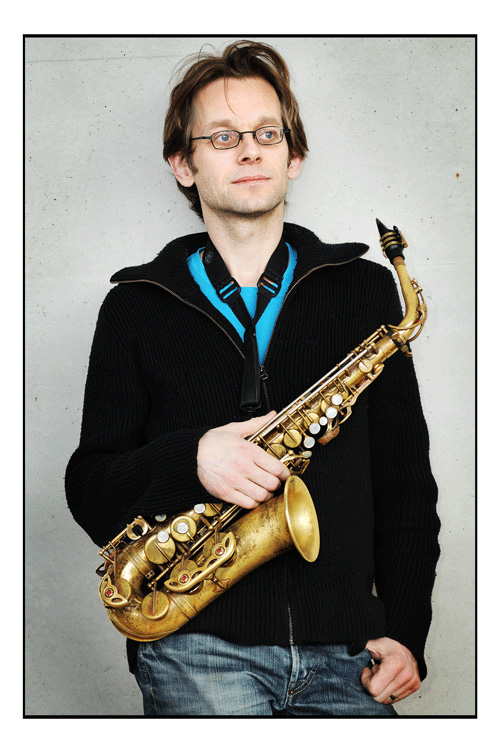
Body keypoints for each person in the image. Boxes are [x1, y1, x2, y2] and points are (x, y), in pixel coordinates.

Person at [65, 40, 440, 717]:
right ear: (183, 164)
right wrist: (191, 459)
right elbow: (91, 488)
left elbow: (405, 481)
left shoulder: (364, 291)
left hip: (350, 654)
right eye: (223, 136)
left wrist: (407, 629)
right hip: (195, 652)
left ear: (293, 156)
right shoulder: (135, 307)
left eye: (268, 133)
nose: (249, 151)